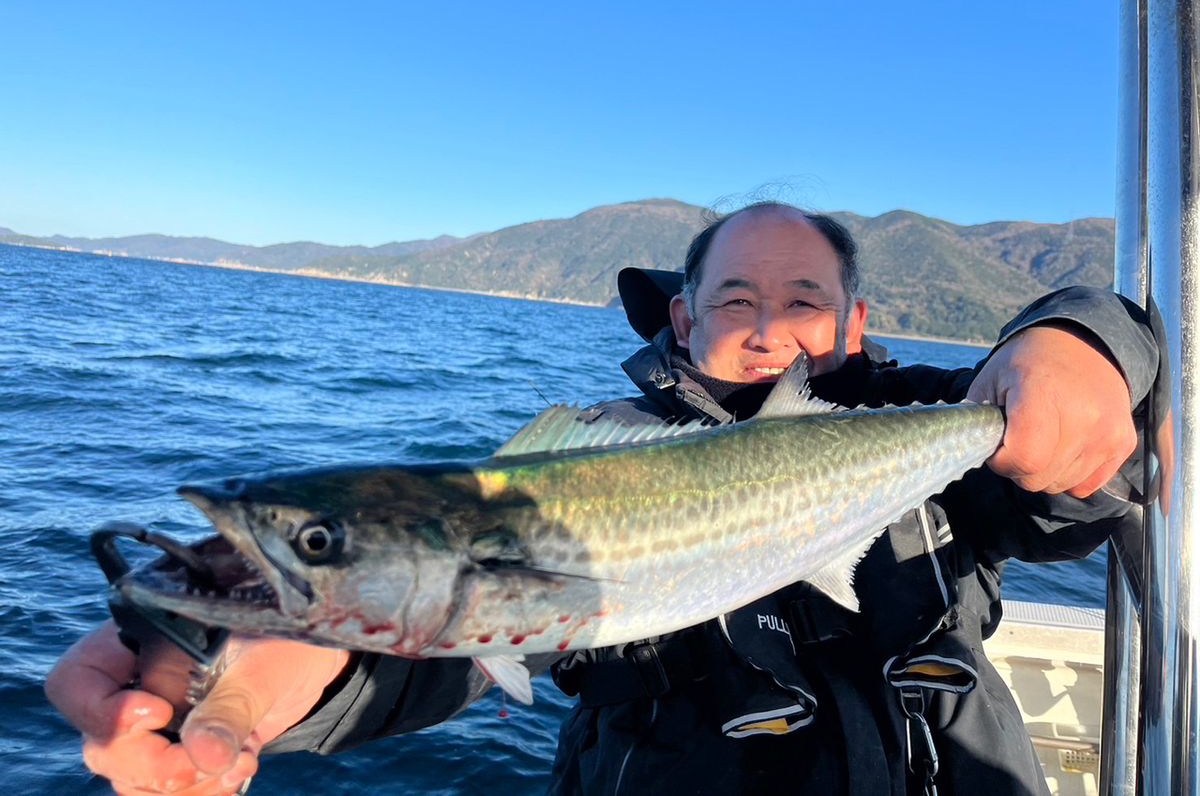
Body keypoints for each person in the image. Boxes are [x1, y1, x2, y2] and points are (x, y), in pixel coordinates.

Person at [47, 202, 1158, 795]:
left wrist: (1079, 344)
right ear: (683, 322)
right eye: (734, 297)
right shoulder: (578, 462)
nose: (769, 325)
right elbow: (425, 653)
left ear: (857, 328)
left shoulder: (935, 417)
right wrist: (274, 673)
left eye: (806, 299)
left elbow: (1072, 488)